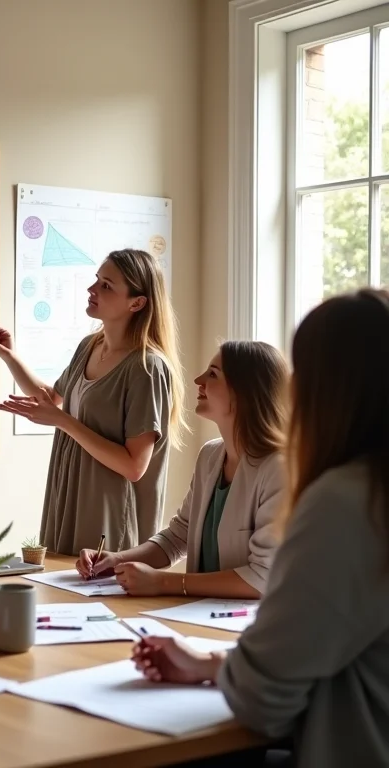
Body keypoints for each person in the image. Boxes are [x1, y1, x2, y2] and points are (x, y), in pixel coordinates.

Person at [131, 289, 389, 768]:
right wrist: (209, 663)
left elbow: (262, 698)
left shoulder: (345, 503)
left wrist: (168, 590)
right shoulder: (216, 457)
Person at [0, 249, 186, 556]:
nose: (91, 289)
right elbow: (52, 396)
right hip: (70, 496)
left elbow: (134, 466)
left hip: (110, 514)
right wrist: (9, 356)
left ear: (136, 303)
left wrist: (62, 421)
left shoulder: (147, 369)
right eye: (97, 279)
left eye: (106, 285)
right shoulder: (89, 346)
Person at [76, 341, 287, 598]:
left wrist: (164, 582)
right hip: (199, 613)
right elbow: (178, 537)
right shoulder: (210, 456)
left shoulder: (279, 469)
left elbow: (262, 577)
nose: (198, 380)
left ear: (244, 392)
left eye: (212, 374)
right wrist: (116, 560)